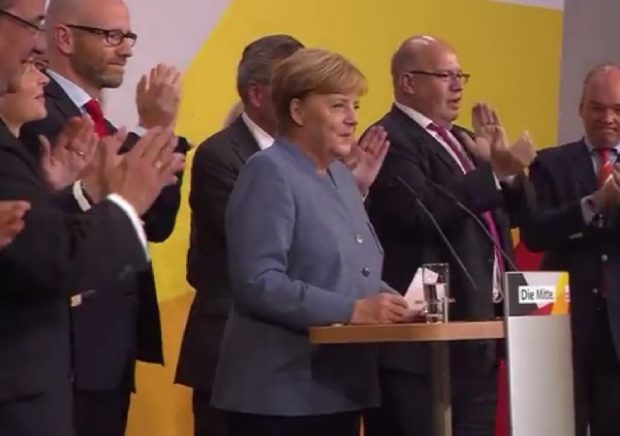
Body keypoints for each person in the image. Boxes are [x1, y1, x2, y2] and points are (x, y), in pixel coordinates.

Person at [177, 34, 389, 436]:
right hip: (280, 394)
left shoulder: (340, 176)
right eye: (338, 105)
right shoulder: (268, 171)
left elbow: (347, 269)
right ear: (297, 110)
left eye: (355, 106)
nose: (352, 118)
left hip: (340, 387)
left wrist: (398, 304)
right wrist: (352, 310)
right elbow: (259, 282)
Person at [0, 1, 184, 435]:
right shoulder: (41, 115)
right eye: (111, 36)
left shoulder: (88, 119)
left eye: (128, 37)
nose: (126, 49)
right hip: (54, 359)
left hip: (98, 351)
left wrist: (84, 193)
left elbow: (156, 222)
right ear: (65, 37)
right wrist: (128, 187)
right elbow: (45, 251)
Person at [364, 35, 535, 436]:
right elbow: (420, 212)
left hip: (479, 334)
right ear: (408, 82)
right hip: (423, 347)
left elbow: (521, 219)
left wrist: (507, 174)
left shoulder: (461, 139)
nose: (458, 86)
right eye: (445, 76)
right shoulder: (390, 138)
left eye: (461, 76)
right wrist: (492, 174)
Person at [520, 63, 620, 436]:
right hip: (563, 322)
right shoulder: (551, 163)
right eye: (597, 107)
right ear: (580, 108)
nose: (607, 118)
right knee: (559, 426)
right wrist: (593, 203)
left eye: (618, 110)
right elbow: (534, 233)